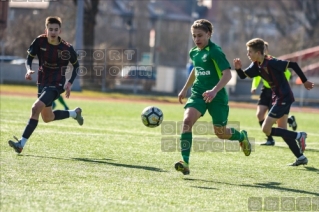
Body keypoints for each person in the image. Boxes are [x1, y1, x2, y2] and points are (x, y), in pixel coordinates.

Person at [175, 19, 251, 175]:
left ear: (208, 34)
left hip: (217, 96)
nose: (197, 39)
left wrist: (214, 91)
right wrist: (184, 89)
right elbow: (196, 70)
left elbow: (228, 74)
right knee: (187, 122)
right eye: (194, 36)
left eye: (200, 35)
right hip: (198, 94)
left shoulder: (215, 51)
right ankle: (185, 162)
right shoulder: (194, 52)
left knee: (220, 132)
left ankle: (241, 136)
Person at [8, 16, 84, 154]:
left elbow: (76, 66)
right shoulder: (39, 41)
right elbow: (29, 57)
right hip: (42, 82)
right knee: (47, 118)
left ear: (60, 31)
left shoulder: (67, 48)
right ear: (46, 30)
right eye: (51, 29)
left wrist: (70, 82)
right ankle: (74, 113)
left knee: (35, 107)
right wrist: (28, 69)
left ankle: (21, 143)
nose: (53, 32)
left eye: (56, 29)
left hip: (57, 84)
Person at [233, 38, 314, 166]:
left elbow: (293, 65)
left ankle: (299, 135)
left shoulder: (271, 62)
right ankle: (301, 157)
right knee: (282, 130)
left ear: (259, 52)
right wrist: (238, 69)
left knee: (266, 129)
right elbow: (243, 76)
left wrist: (304, 81)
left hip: (283, 97)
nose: (248, 54)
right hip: (278, 97)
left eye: (250, 52)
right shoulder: (256, 65)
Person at [251, 41, 298, 146]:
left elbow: (288, 72)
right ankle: (270, 139)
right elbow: (257, 75)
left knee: (275, 120)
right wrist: (254, 86)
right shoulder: (258, 62)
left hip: (276, 91)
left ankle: (290, 122)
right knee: (259, 114)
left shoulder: (273, 61)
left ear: (266, 50)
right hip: (265, 90)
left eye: (265, 48)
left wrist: (281, 84)